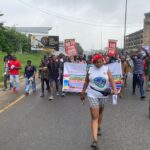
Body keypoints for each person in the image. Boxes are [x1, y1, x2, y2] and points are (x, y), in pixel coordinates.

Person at [80, 54, 117, 149]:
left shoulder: (106, 69)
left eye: (100, 61)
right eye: (96, 62)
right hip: (92, 95)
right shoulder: (90, 69)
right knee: (95, 117)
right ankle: (95, 140)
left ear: (103, 61)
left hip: (104, 95)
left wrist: (115, 90)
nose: (98, 63)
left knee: (101, 112)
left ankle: (98, 126)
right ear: (94, 62)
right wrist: (83, 92)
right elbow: (86, 82)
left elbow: (112, 80)